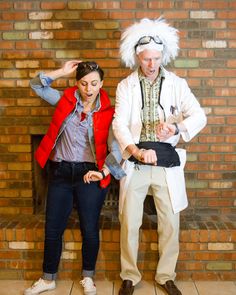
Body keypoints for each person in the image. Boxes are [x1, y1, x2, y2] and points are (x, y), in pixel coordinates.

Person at [112, 17, 207, 295]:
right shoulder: (125, 86)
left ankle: (166, 276)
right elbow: (119, 123)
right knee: (130, 220)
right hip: (136, 159)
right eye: (146, 59)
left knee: (169, 220)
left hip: (166, 161)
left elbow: (199, 115)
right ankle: (129, 274)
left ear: (162, 56)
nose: (151, 64)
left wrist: (176, 127)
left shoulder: (178, 83)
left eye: (155, 58)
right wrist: (135, 151)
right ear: (137, 58)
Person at [24, 60, 125, 295]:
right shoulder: (65, 101)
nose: (88, 89)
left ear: (101, 84)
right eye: (83, 83)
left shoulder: (109, 112)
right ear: (76, 83)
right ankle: (47, 278)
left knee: (89, 228)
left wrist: (104, 172)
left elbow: (117, 146)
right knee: (53, 228)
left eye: (94, 83)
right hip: (60, 172)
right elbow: (36, 85)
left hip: (89, 174)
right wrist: (61, 71)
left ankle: (88, 276)